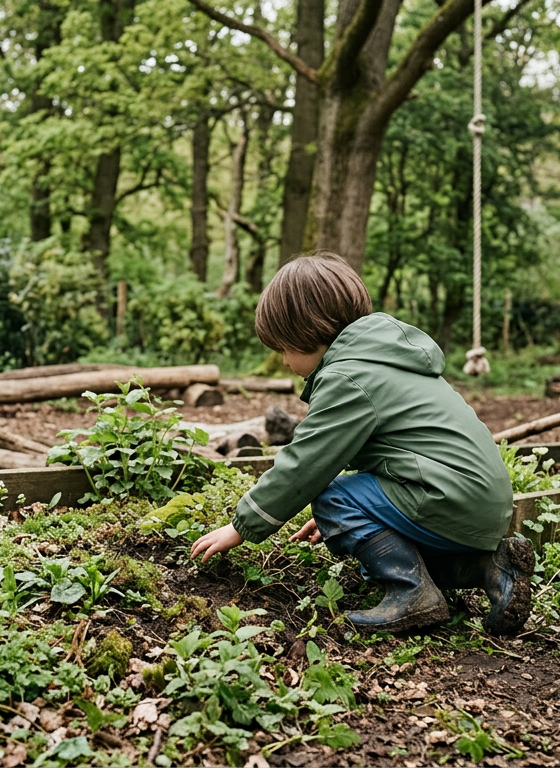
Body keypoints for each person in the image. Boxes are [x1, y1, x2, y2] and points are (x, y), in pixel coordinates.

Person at [189, 251, 535, 635]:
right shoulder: (386, 358)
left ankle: (411, 593)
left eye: (284, 348)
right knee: (382, 529)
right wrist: (367, 517)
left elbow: (306, 463)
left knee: (331, 496)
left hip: (446, 495)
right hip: (483, 503)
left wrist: (241, 526)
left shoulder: (348, 377)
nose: (284, 361)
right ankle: (492, 569)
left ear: (309, 332)